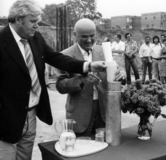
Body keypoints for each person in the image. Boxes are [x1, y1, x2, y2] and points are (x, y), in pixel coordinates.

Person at [0, 1, 106, 160]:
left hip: (31, 114)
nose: (37, 25)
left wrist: (88, 65)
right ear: (18, 19)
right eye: (33, 21)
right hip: (6, 118)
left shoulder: (35, 38)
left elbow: (56, 58)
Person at [56, 19, 125, 136]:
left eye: (92, 36)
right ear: (74, 35)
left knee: (105, 149)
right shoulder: (65, 55)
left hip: (104, 111)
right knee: (82, 149)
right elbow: (60, 85)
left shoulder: (104, 51)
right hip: (79, 114)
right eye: (84, 37)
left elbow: (118, 68)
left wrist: (122, 73)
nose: (89, 40)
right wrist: (81, 80)